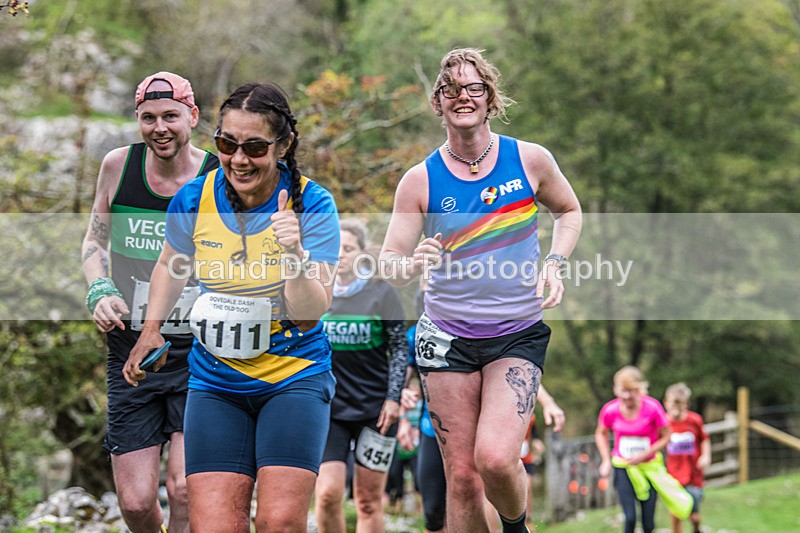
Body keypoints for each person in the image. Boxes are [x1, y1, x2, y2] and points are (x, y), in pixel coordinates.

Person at [121, 81, 340, 532]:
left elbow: (309, 312)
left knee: (279, 522)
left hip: (292, 377)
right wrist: (151, 328)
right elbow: (171, 262)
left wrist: (295, 256)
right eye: (226, 144)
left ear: (284, 145)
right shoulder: (194, 197)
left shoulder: (313, 204)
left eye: (255, 147)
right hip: (216, 382)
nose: (238, 159)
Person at [380, 47, 582, 533]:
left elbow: (570, 212)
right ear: (437, 102)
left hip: (515, 333)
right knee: (463, 478)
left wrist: (554, 263)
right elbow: (389, 262)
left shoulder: (529, 159)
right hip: (446, 338)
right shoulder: (420, 179)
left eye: (473, 88)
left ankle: (516, 527)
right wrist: (412, 263)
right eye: (451, 90)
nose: (462, 97)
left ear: (490, 97)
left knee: (494, 459)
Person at [81, 71, 219, 533]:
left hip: (199, 351)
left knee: (184, 489)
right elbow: (94, 242)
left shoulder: (218, 175)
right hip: (131, 349)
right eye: (148, 118)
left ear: (192, 117)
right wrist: (99, 287)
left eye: (170, 116)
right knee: (138, 503)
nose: (159, 127)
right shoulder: (118, 167)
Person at [315, 218, 409, 533]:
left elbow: (399, 348)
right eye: (334, 248)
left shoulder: (381, 293)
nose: (340, 254)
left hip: (376, 412)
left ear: (361, 254)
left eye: (348, 248)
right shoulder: (315, 291)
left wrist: (394, 399)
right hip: (330, 409)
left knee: (368, 500)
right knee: (327, 494)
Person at [595, 366, 672, 533]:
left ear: (640, 389)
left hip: (648, 468)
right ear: (616, 389)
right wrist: (606, 460)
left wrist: (646, 453)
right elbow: (601, 433)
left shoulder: (653, 407)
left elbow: (667, 436)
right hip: (623, 467)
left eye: (632, 390)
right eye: (623, 390)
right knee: (629, 517)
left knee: (648, 522)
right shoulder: (610, 410)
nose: (627, 396)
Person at [664, 383, 711, 533]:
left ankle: (697, 529)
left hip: (693, 474)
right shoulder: (663, 423)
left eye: (680, 406)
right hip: (672, 475)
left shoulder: (694, 420)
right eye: (673, 405)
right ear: (666, 403)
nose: (676, 411)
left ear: (686, 404)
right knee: (676, 513)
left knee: (694, 515)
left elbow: (704, 439)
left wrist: (705, 456)